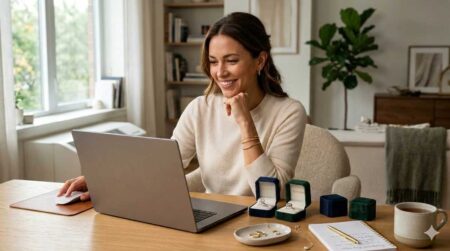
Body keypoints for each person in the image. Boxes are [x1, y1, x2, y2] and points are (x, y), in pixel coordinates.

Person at [58, 12, 307, 200]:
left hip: (262, 226)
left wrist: (245, 122)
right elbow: (162, 166)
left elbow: (271, 194)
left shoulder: (289, 112)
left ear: (260, 60)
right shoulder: (201, 108)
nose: (220, 72)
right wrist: (102, 181)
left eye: (231, 61)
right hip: (214, 220)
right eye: (213, 62)